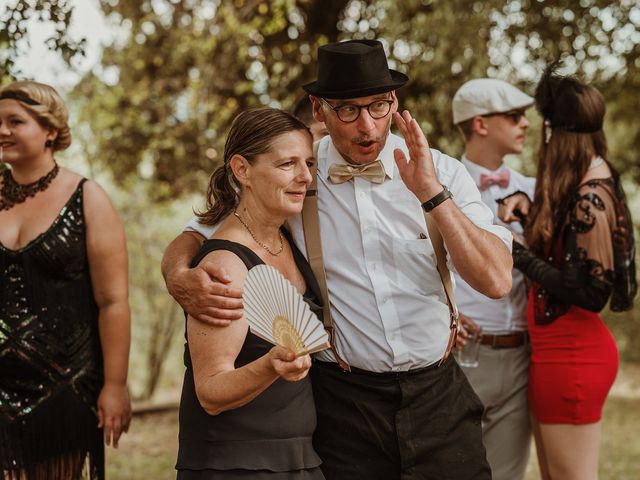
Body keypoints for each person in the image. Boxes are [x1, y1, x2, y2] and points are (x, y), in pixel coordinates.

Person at [163, 40, 515, 479]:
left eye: (379, 107)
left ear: (394, 102)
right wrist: (177, 275)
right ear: (320, 108)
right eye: (348, 110)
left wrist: (430, 193)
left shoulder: (441, 172)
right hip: (343, 406)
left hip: (438, 396)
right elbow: (203, 233)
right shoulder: (294, 175)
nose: (366, 126)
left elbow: (497, 280)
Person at [498, 67, 637, 480]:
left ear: (560, 136)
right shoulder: (584, 186)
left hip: (572, 358)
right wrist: (527, 211)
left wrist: (518, 254)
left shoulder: (591, 198)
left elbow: (592, 291)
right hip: (555, 355)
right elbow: (567, 258)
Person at [174, 107, 325, 479]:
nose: (305, 176)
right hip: (236, 464)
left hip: (299, 458)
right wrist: (270, 365)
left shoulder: (288, 238)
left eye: (307, 162)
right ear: (242, 170)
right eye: (287, 164)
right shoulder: (224, 264)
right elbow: (209, 391)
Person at [0, 81, 131, 479]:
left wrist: (116, 384)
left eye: (15, 121)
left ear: (50, 131)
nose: (2, 130)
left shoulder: (87, 197)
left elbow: (113, 301)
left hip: (65, 386)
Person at [451, 78, 534, 480]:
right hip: (460, 357)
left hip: (520, 357)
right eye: (515, 116)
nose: (526, 124)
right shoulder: (439, 187)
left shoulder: (535, 191)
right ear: (480, 124)